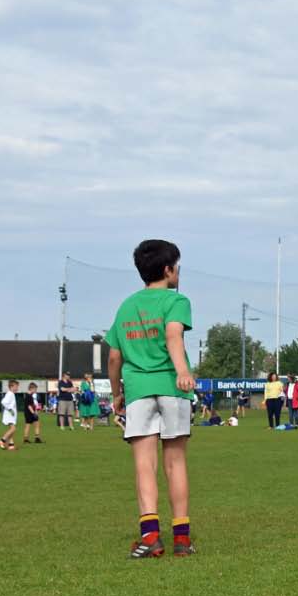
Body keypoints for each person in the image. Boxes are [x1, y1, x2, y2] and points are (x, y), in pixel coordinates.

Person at [104, 239, 197, 558]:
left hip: (138, 390)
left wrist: (117, 393)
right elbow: (174, 335)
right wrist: (182, 370)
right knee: (175, 462)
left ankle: (150, 538)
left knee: (145, 464)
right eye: (177, 267)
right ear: (168, 270)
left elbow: (114, 357)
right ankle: (182, 539)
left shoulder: (127, 306)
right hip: (173, 387)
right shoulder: (176, 300)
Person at [0, 379, 19, 450]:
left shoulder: (11, 394)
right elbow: (3, 402)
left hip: (11, 415)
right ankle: (2, 440)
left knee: (11, 429)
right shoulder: (10, 394)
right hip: (9, 415)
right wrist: (10, 409)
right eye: (16, 386)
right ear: (11, 387)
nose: (17, 388)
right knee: (13, 429)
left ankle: (11, 445)